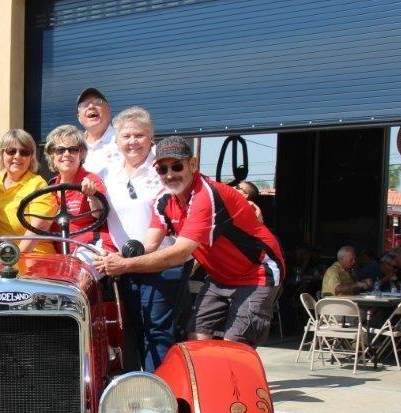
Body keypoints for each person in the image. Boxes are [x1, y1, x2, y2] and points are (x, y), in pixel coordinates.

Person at [94, 136, 285, 348]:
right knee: (195, 340)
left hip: (256, 272)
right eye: (162, 169)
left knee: (235, 346)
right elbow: (149, 244)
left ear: (192, 164)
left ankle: (239, 381)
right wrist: (119, 256)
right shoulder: (164, 200)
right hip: (220, 275)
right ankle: (208, 381)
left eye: (177, 166)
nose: (170, 175)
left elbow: (180, 253)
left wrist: (125, 266)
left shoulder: (206, 195)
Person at [99, 110, 189, 370]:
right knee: (127, 335)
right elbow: (98, 217)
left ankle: (160, 400)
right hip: (123, 268)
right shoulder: (108, 175)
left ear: (152, 138)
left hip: (160, 267)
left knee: (157, 336)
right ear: (116, 140)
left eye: (139, 135)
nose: (133, 141)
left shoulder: (163, 171)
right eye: (126, 136)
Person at [0, 129, 57, 253]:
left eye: (24, 152)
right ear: (2, 155)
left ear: (31, 157)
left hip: (34, 255)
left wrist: (13, 260)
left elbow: (38, 227)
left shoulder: (38, 185)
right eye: (11, 151)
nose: (17, 156)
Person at [42, 124, 106, 252]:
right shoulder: (51, 186)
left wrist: (92, 196)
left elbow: (100, 215)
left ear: (81, 154)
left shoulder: (91, 180)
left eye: (73, 150)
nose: (67, 154)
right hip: (57, 252)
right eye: (60, 150)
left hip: (86, 248)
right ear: (52, 156)